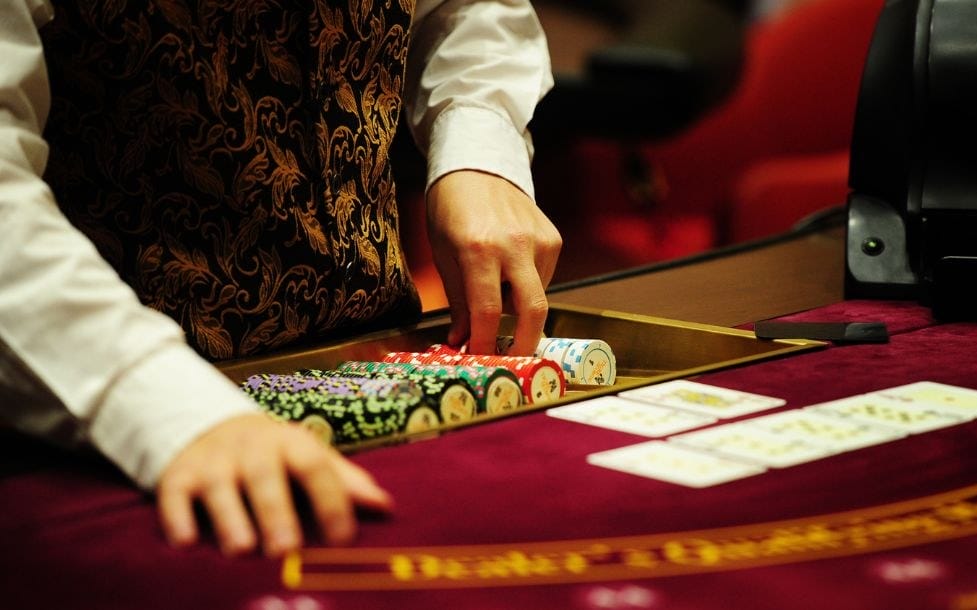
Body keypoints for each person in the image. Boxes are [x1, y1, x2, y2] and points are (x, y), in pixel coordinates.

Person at [0, 0, 561, 558]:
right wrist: (154, 401)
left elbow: (466, 9)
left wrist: (477, 147)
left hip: (393, 381)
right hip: (106, 435)